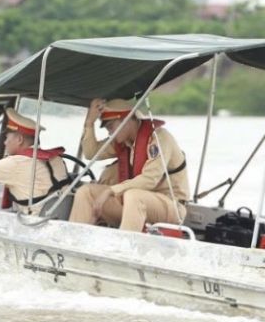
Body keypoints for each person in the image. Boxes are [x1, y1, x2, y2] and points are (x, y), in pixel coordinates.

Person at [69, 97, 190, 232]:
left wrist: (111, 190)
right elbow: (91, 153)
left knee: (133, 196)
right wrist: (89, 123)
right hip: (135, 205)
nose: (109, 132)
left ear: (126, 120)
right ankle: (73, 240)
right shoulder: (123, 142)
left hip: (171, 207)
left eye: (111, 126)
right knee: (86, 192)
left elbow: (150, 179)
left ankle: (123, 244)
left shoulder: (159, 137)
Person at [0, 107, 71, 211]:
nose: (5, 142)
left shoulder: (17, 163)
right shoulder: (56, 159)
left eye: (7, 137)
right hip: (56, 217)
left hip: (33, 221)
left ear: (19, 139)